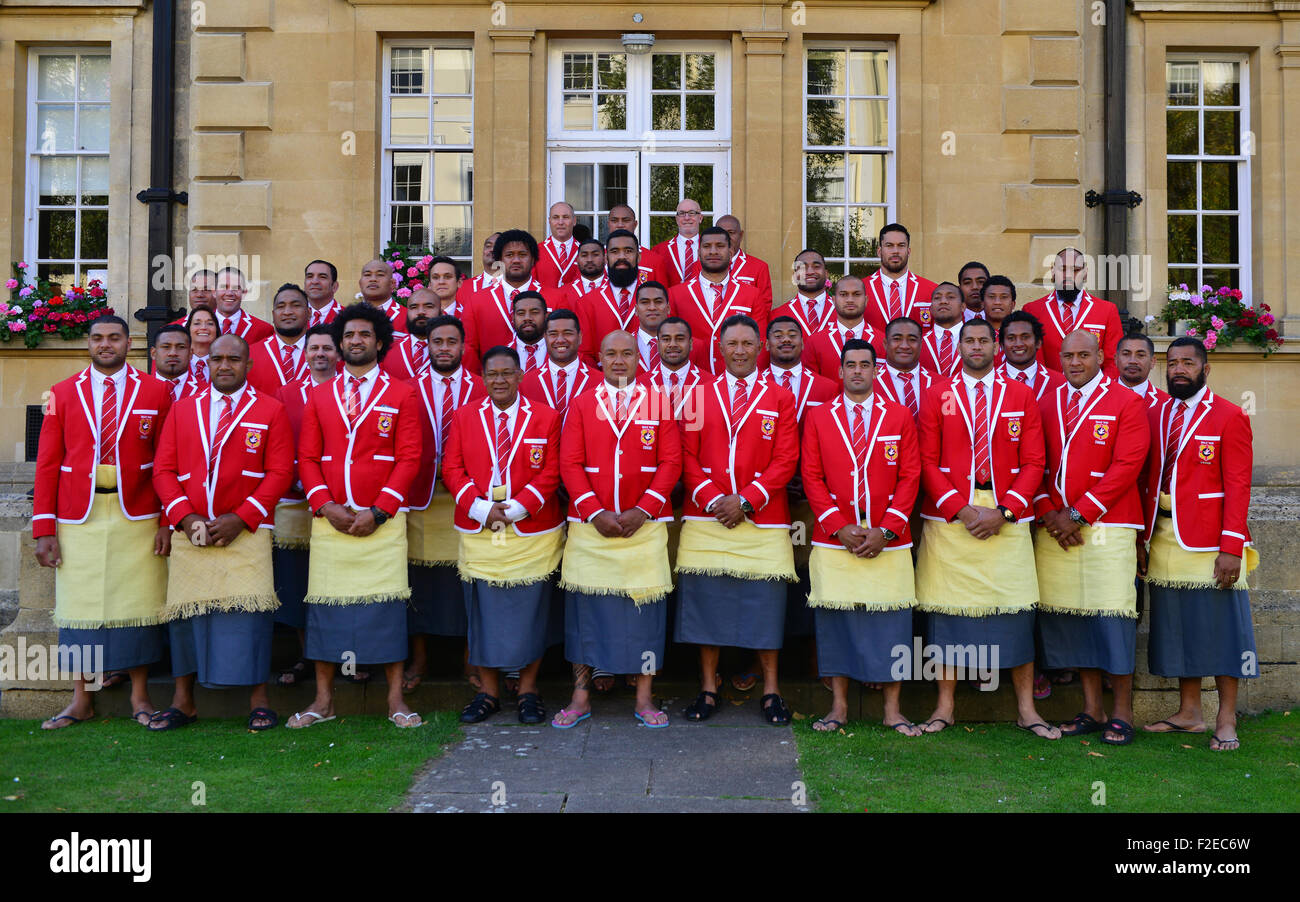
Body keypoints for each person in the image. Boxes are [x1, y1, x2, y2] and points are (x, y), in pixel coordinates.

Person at [914, 318, 1059, 739]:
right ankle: (945, 707)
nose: (976, 346)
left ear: (995, 346)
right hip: (951, 520)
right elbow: (925, 461)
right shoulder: (937, 394)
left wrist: (1007, 510)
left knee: (1015, 610)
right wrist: (960, 509)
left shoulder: (1021, 394)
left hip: (1005, 519)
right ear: (957, 346)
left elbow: (1035, 462)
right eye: (969, 340)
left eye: (983, 340)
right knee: (948, 612)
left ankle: (1027, 709)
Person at [149, 334, 295, 731]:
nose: (225, 365)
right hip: (191, 531)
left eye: (234, 359)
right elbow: (163, 470)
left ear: (248, 365)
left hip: (246, 533)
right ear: (207, 364)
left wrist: (243, 518)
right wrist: (183, 516)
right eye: (217, 359)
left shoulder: (270, 410)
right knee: (186, 615)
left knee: (250, 614)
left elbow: (281, 472)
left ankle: (259, 700)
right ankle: (184, 701)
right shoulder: (183, 409)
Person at [33, 317, 172, 729]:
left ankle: (140, 696)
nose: (105, 344)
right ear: (88, 343)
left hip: (139, 513)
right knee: (79, 605)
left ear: (130, 342)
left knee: (139, 603)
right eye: (97, 338)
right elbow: (47, 464)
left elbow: (166, 462)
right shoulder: (62, 393)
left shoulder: (157, 390)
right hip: (79, 514)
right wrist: (44, 529)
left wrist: (167, 519)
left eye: (114, 337)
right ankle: (81, 699)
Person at [290, 304, 424, 729]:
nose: (355, 342)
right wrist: (325, 504)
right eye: (348, 335)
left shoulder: (402, 392)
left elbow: (410, 458)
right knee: (326, 610)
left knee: (385, 610)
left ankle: (395, 701)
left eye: (364, 335)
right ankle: (323, 702)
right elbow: (307, 457)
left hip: (381, 523)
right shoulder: (320, 394)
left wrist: (380, 510)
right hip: (331, 521)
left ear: (379, 342)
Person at [553, 331, 682, 728]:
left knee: (645, 613)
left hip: (644, 527)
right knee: (585, 613)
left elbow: (671, 462)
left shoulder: (658, 402)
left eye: (628, 352)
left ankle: (644, 696)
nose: (620, 360)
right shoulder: (582, 404)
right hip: (591, 529)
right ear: (600, 359)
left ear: (638, 357)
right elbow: (570, 464)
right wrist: (594, 512)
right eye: (611, 353)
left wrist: (643, 510)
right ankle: (580, 695)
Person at [675, 315, 800, 724]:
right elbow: (686, 457)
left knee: (765, 607)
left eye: (749, 343)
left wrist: (745, 501)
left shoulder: (780, 397)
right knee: (707, 604)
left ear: (760, 348)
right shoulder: (697, 395)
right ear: (721, 349)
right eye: (733, 344)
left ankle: (771, 690)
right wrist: (714, 500)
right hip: (706, 518)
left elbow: (786, 459)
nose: (741, 351)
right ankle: (708, 689)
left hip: (763, 520)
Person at [1139, 337, 1259, 751]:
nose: (1178, 370)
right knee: (1178, 628)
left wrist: (1231, 546)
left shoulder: (1229, 415)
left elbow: (1238, 484)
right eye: (1172, 363)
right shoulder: (1157, 413)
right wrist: (1141, 537)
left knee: (1222, 631)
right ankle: (1189, 713)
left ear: (1205, 369)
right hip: (1164, 536)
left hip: (1211, 541)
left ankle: (1226, 718)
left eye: (1188, 363)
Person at [1034, 330, 1151, 746]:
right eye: (1068, 355)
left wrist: (1078, 514)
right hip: (1056, 529)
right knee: (1074, 616)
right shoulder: (1046, 401)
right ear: (1060, 358)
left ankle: (1122, 711)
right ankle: (1091, 708)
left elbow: (1127, 466)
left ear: (1102, 357)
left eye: (1084, 354)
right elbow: (1036, 463)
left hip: (1109, 527)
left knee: (1111, 617)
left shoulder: (1127, 402)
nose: (1075, 362)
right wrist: (1050, 512)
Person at [803, 339, 922, 736]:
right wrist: (838, 525)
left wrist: (886, 530)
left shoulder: (899, 415)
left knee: (892, 623)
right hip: (835, 539)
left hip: (889, 540)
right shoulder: (819, 416)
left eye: (865, 364)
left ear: (876, 370)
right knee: (836, 621)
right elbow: (812, 476)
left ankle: (893, 709)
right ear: (840, 371)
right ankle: (837, 707)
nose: (857, 370)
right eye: (850, 364)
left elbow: (910, 476)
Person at [442, 346, 564, 725]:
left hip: (531, 527)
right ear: (482, 377)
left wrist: (517, 508)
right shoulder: (464, 417)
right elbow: (452, 467)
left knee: (532, 611)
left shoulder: (545, 417)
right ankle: (488, 691)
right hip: (480, 527)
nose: (499, 380)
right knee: (484, 611)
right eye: (492, 374)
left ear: (519, 375)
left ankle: (528, 689)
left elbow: (552, 471)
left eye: (507, 373)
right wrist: (481, 508)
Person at [403, 315, 486, 692]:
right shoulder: (405, 389)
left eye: (451, 342)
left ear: (463, 346)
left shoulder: (483, 388)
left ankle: (472, 659)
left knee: (468, 578)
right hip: (421, 497)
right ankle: (419, 659)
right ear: (427, 345)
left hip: (470, 495)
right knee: (421, 581)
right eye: (437, 342)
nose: (444, 348)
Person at [272, 324, 340, 688]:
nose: (320, 354)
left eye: (327, 348)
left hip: (340, 500)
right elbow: (281, 443)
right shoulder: (287, 393)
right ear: (305, 353)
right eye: (314, 348)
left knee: (335, 581)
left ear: (338, 352)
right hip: (296, 501)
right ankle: (307, 657)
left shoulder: (350, 389)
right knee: (298, 581)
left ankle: (343, 655)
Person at [668, 226, 766, 376]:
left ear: (731, 252)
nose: (713, 251)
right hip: (692, 381)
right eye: (707, 246)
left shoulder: (752, 294)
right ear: (699, 252)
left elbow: (760, 342)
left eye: (720, 246)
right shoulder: (676, 294)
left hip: (735, 382)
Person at [1023, 247, 1122, 378]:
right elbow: (1033, 361)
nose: (1068, 275)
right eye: (1063, 269)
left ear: (1085, 273)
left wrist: (1100, 393)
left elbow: (1113, 361)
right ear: (1052, 271)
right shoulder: (1033, 310)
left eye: (1076, 270)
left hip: (1093, 394)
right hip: (1048, 393)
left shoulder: (1107, 310)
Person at [463, 230, 554, 369]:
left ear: (533, 259)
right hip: (493, 384)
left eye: (523, 255)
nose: (516, 260)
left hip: (544, 384)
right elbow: (469, 349)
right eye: (509, 255)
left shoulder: (556, 298)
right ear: (499, 260)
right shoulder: (476, 300)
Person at [520, 308, 597, 426]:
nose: (560, 340)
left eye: (567, 333)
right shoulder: (525, 383)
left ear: (580, 337)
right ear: (545, 337)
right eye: (553, 334)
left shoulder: (600, 382)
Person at [802, 275, 883, 384]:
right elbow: (812, 386)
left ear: (866, 300)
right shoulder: (815, 342)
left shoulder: (882, 341)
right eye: (844, 294)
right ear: (834, 300)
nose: (850, 300)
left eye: (856, 294)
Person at [575, 231, 640, 364]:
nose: (622, 257)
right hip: (603, 380)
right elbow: (585, 355)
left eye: (628, 251)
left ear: (638, 257)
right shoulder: (586, 303)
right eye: (615, 251)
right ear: (606, 258)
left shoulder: (655, 299)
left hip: (647, 382)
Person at [864, 224, 938, 334]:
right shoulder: (862, 289)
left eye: (901, 245)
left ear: (908, 251)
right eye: (889, 245)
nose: (895, 251)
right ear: (879, 251)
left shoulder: (931, 290)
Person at [638, 315, 713, 423]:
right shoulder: (640, 385)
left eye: (680, 339)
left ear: (691, 344)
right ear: (658, 344)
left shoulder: (711, 383)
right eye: (666, 339)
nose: (672, 344)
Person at [765, 316, 837, 426]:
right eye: (778, 336)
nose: (786, 340)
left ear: (803, 343)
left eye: (792, 335)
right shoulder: (753, 384)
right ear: (767, 345)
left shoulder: (827, 388)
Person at [247, 283, 310, 396]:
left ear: (309, 313)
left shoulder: (325, 353)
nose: (287, 312)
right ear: (273, 314)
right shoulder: (251, 354)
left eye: (295, 305)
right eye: (280, 306)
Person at [874, 316, 933, 421]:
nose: (905, 346)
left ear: (921, 344)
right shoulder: (870, 384)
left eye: (912, 340)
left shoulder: (940, 384)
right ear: (885, 344)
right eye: (897, 339)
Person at [999, 309, 1066, 400]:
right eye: (1011, 338)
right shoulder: (988, 381)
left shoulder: (1060, 381)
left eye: (1025, 337)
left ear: (1038, 342)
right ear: (1002, 345)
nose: (1018, 344)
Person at [381, 287, 443, 382]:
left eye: (429, 306)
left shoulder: (458, 351)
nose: (421, 312)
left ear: (441, 311)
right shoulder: (387, 351)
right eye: (414, 307)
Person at [771, 249, 835, 336]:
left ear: (826, 274)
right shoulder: (777, 315)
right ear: (794, 276)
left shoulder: (843, 311)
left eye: (816, 266)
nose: (810, 272)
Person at [718, 215, 774, 314]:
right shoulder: (699, 266)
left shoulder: (759, 267)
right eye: (721, 233)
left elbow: (764, 306)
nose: (726, 238)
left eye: (731, 233)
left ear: (741, 235)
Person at [606, 203, 667, 285]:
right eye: (614, 220)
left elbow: (662, 296)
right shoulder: (595, 258)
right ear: (608, 224)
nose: (620, 225)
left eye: (626, 220)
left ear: (635, 224)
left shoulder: (655, 261)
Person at [211, 266, 274, 342]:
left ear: (244, 293)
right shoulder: (197, 327)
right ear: (214, 292)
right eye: (224, 287)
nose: (229, 293)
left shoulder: (264, 330)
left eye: (236, 288)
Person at [652, 198, 705, 287]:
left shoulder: (710, 249)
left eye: (692, 213)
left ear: (700, 218)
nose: (687, 218)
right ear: (677, 219)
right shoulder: (659, 250)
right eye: (682, 213)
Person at [150, 323, 207, 402]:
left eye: (181, 347)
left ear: (190, 354)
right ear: (153, 353)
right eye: (166, 347)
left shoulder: (206, 391)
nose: (173, 353)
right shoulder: (139, 389)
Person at [919, 282, 964, 379]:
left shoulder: (978, 340)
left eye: (951, 297)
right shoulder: (919, 342)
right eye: (937, 298)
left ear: (963, 307)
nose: (943, 301)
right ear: (930, 308)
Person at [1115, 332, 1170, 410]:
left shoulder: (1166, 403)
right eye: (1126, 354)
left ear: (1152, 361)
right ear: (1116, 359)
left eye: (1140, 355)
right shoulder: (1099, 396)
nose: (1132, 361)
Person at [534, 201, 581, 290]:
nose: (560, 222)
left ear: (574, 221)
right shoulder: (536, 251)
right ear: (549, 221)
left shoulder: (584, 251)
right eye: (555, 217)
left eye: (565, 217)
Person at [357, 258, 409, 332]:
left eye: (380, 275)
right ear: (360, 283)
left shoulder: (407, 317)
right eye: (367, 275)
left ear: (393, 283)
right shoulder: (347, 316)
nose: (373, 279)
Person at [455, 231, 502, 310]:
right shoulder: (464, 287)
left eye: (498, 246)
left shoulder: (515, 286)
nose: (492, 249)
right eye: (488, 246)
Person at [558, 238, 608, 312]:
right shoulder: (562, 293)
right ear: (577, 260)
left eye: (595, 255)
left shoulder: (616, 289)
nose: (589, 259)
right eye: (584, 255)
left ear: (605, 258)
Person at [980, 275, 1017, 368]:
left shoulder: (1024, 336)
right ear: (982, 303)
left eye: (1004, 297)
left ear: (1013, 304)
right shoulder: (971, 334)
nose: (997, 302)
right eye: (991, 297)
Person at [304, 259, 343, 326]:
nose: (314, 282)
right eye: (310, 276)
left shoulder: (346, 316)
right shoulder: (295, 316)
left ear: (334, 286)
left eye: (322, 277)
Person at [188, 307, 219, 383]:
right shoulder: (178, 361)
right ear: (188, 328)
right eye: (197, 323)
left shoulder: (224, 364)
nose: (203, 327)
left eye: (210, 323)